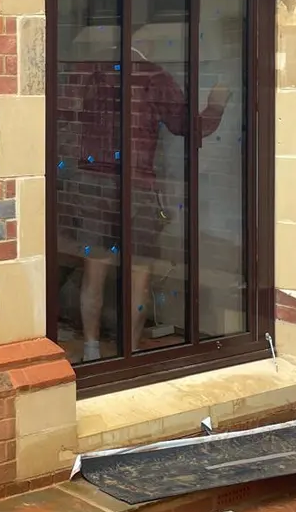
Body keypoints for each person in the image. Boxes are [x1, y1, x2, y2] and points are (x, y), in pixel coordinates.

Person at [69, 54, 229, 361]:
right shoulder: (152, 76)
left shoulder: (96, 75)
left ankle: (91, 348)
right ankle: (129, 351)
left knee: (95, 269)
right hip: (136, 185)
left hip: (93, 183)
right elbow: (188, 127)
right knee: (139, 271)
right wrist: (217, 104)